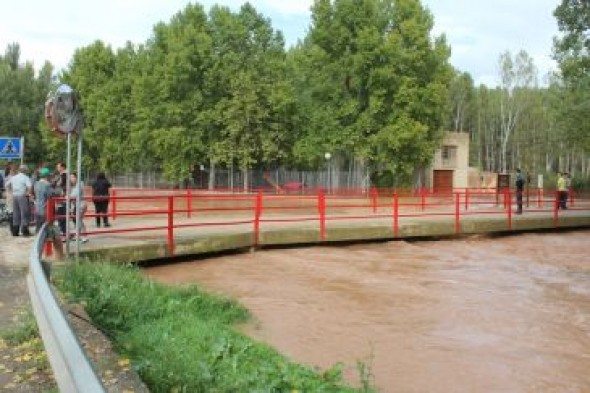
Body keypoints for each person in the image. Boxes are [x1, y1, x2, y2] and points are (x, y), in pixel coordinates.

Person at [6, 164, 32, 236]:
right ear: (25, 170)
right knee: (24, 213)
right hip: (22, 196)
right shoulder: (26, 177)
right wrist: (29, 193)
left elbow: (7, 185)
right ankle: (24, 230)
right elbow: (29, 187)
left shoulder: (14, 177)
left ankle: (15, 231)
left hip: (14, 196)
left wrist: (11, 190)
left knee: (16, 214)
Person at [33, 167, 56, 233]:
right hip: (45, 209)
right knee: (46, 228)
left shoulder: (36, 184)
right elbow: (51, 195)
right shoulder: (47, 185)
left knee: (38, 228)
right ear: (47, 176)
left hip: (37, 208)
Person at [69, 172, 88, 243]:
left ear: (76, 177)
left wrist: (68, 196)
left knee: (78, 220)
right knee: (76, 220)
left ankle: (84, 236)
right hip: (77, 205)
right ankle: (79, 235)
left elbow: (75, 194)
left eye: (72, 177)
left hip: (81, 205)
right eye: (70, 177)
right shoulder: (75, 185)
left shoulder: (79, 184)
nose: (71, 179)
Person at [53, 162, 68, 237]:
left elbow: (60, 184)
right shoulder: (61, 175)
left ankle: (63, 232)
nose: (57, 168)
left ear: (63, 167)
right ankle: (63, 231)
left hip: (63, 197)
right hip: (60, 197)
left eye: (58, 167)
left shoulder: (65, 175)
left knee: (62, 215)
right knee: (61, 215)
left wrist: (57, 183)